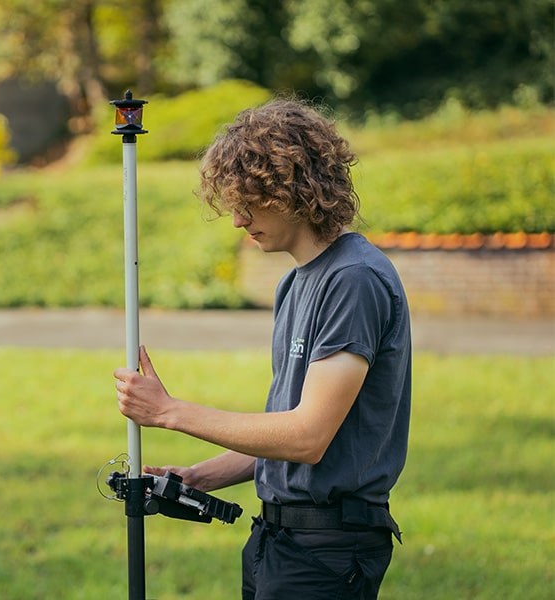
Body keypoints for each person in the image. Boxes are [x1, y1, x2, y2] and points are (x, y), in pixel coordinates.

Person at [113, 98, 411, 600]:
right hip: (278, 540)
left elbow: (307, 437)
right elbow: (284, 433)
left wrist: (169, 412)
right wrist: (198, 477)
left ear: (288, 189)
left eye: (245, 202)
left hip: (328, 551)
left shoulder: (353, 280)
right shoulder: (297, 284)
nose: (236, 221)